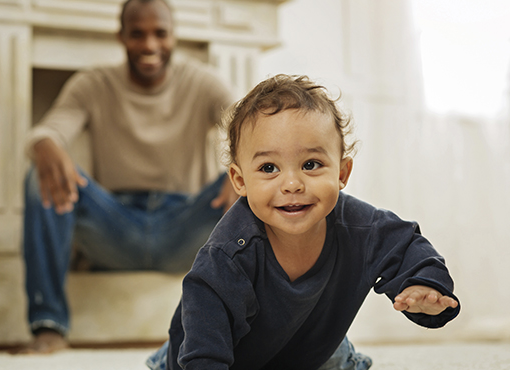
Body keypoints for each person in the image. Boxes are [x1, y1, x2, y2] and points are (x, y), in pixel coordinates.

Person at [145, 75, 461, 370]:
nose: (292, 184)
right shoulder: (227, 254)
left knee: (334, 356)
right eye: (269, 168)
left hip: (305, 348)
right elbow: (205, 338)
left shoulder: (361, 228)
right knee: (190, 345)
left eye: (311, 164)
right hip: (223, 354)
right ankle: (164, 355)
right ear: (240, 181)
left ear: (341, 173)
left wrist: (423, 283)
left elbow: (406, 245)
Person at [19, 0, 238, 354]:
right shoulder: (93, 83)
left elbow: (250, 127)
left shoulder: (203, 82)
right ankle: (49, 325)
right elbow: (50, 130)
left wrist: (241, 166)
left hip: (185, 227)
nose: (150, 45)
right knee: (39, 176)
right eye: (137, 34)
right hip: (115, 227)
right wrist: (44, 144)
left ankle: (256, 326)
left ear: (174, 37)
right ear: (121, 37)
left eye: (160, 34)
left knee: (256, 181)